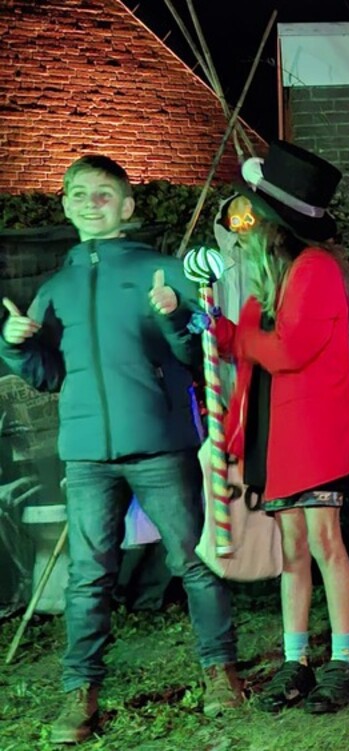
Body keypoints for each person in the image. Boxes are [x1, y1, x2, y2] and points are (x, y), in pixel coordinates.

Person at [0, 155, 241, 744]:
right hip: (86, 455)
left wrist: (176, 317)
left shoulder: (162, 271)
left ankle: (220, 672)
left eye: (104, 194)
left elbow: (199, 356)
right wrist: (16, 346)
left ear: (127, 206)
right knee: (87, 576)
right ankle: (79, 692)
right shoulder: (54, 289)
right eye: (80, 194)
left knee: (194, 560)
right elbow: (49, 376)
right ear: (65, 205)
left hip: (159, 444)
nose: (92, 203)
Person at [214, 141, 349, 713]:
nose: (248, 226)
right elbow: (252, 351)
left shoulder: (316, 269)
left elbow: (289, 350)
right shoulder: (271, 278)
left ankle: (346, 658)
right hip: (277, 438)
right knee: (292, 549)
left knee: (325, 543)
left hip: (313, 435)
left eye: (256, 217)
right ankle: (295, 658)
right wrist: (216, 328)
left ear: (277, 224)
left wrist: (235, 336)